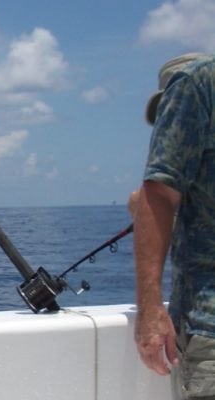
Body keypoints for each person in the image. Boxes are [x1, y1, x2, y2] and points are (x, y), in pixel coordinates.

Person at [131, 51, 215, 400]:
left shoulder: (198, 83)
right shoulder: (201, 83)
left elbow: (154, 198)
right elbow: (156, 198)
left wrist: (149, 311)